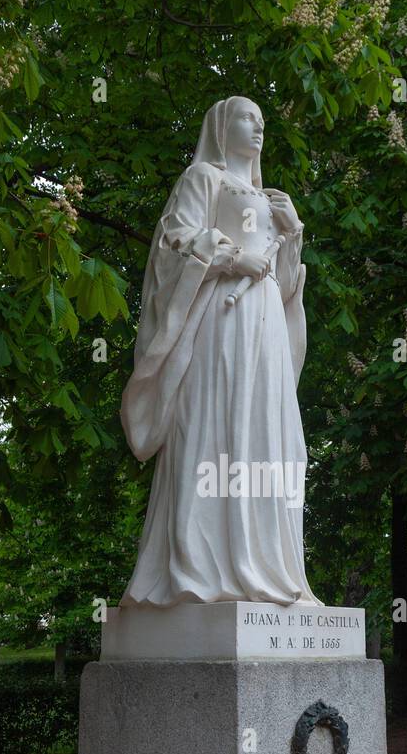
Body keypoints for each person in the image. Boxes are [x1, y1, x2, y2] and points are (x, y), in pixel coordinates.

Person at [119, 96, 321, 606]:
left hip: (267, 325)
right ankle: (207, 568)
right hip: (221, 323)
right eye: (247, 118)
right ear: (221, 125)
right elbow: (174, 243)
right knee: (214, 426)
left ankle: (271, 569)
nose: (258, 128)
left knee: (269, 437)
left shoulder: (272, 197)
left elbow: (288, 284)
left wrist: (291, 231)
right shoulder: (202, 178)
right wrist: (232, 258)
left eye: (262, 120)